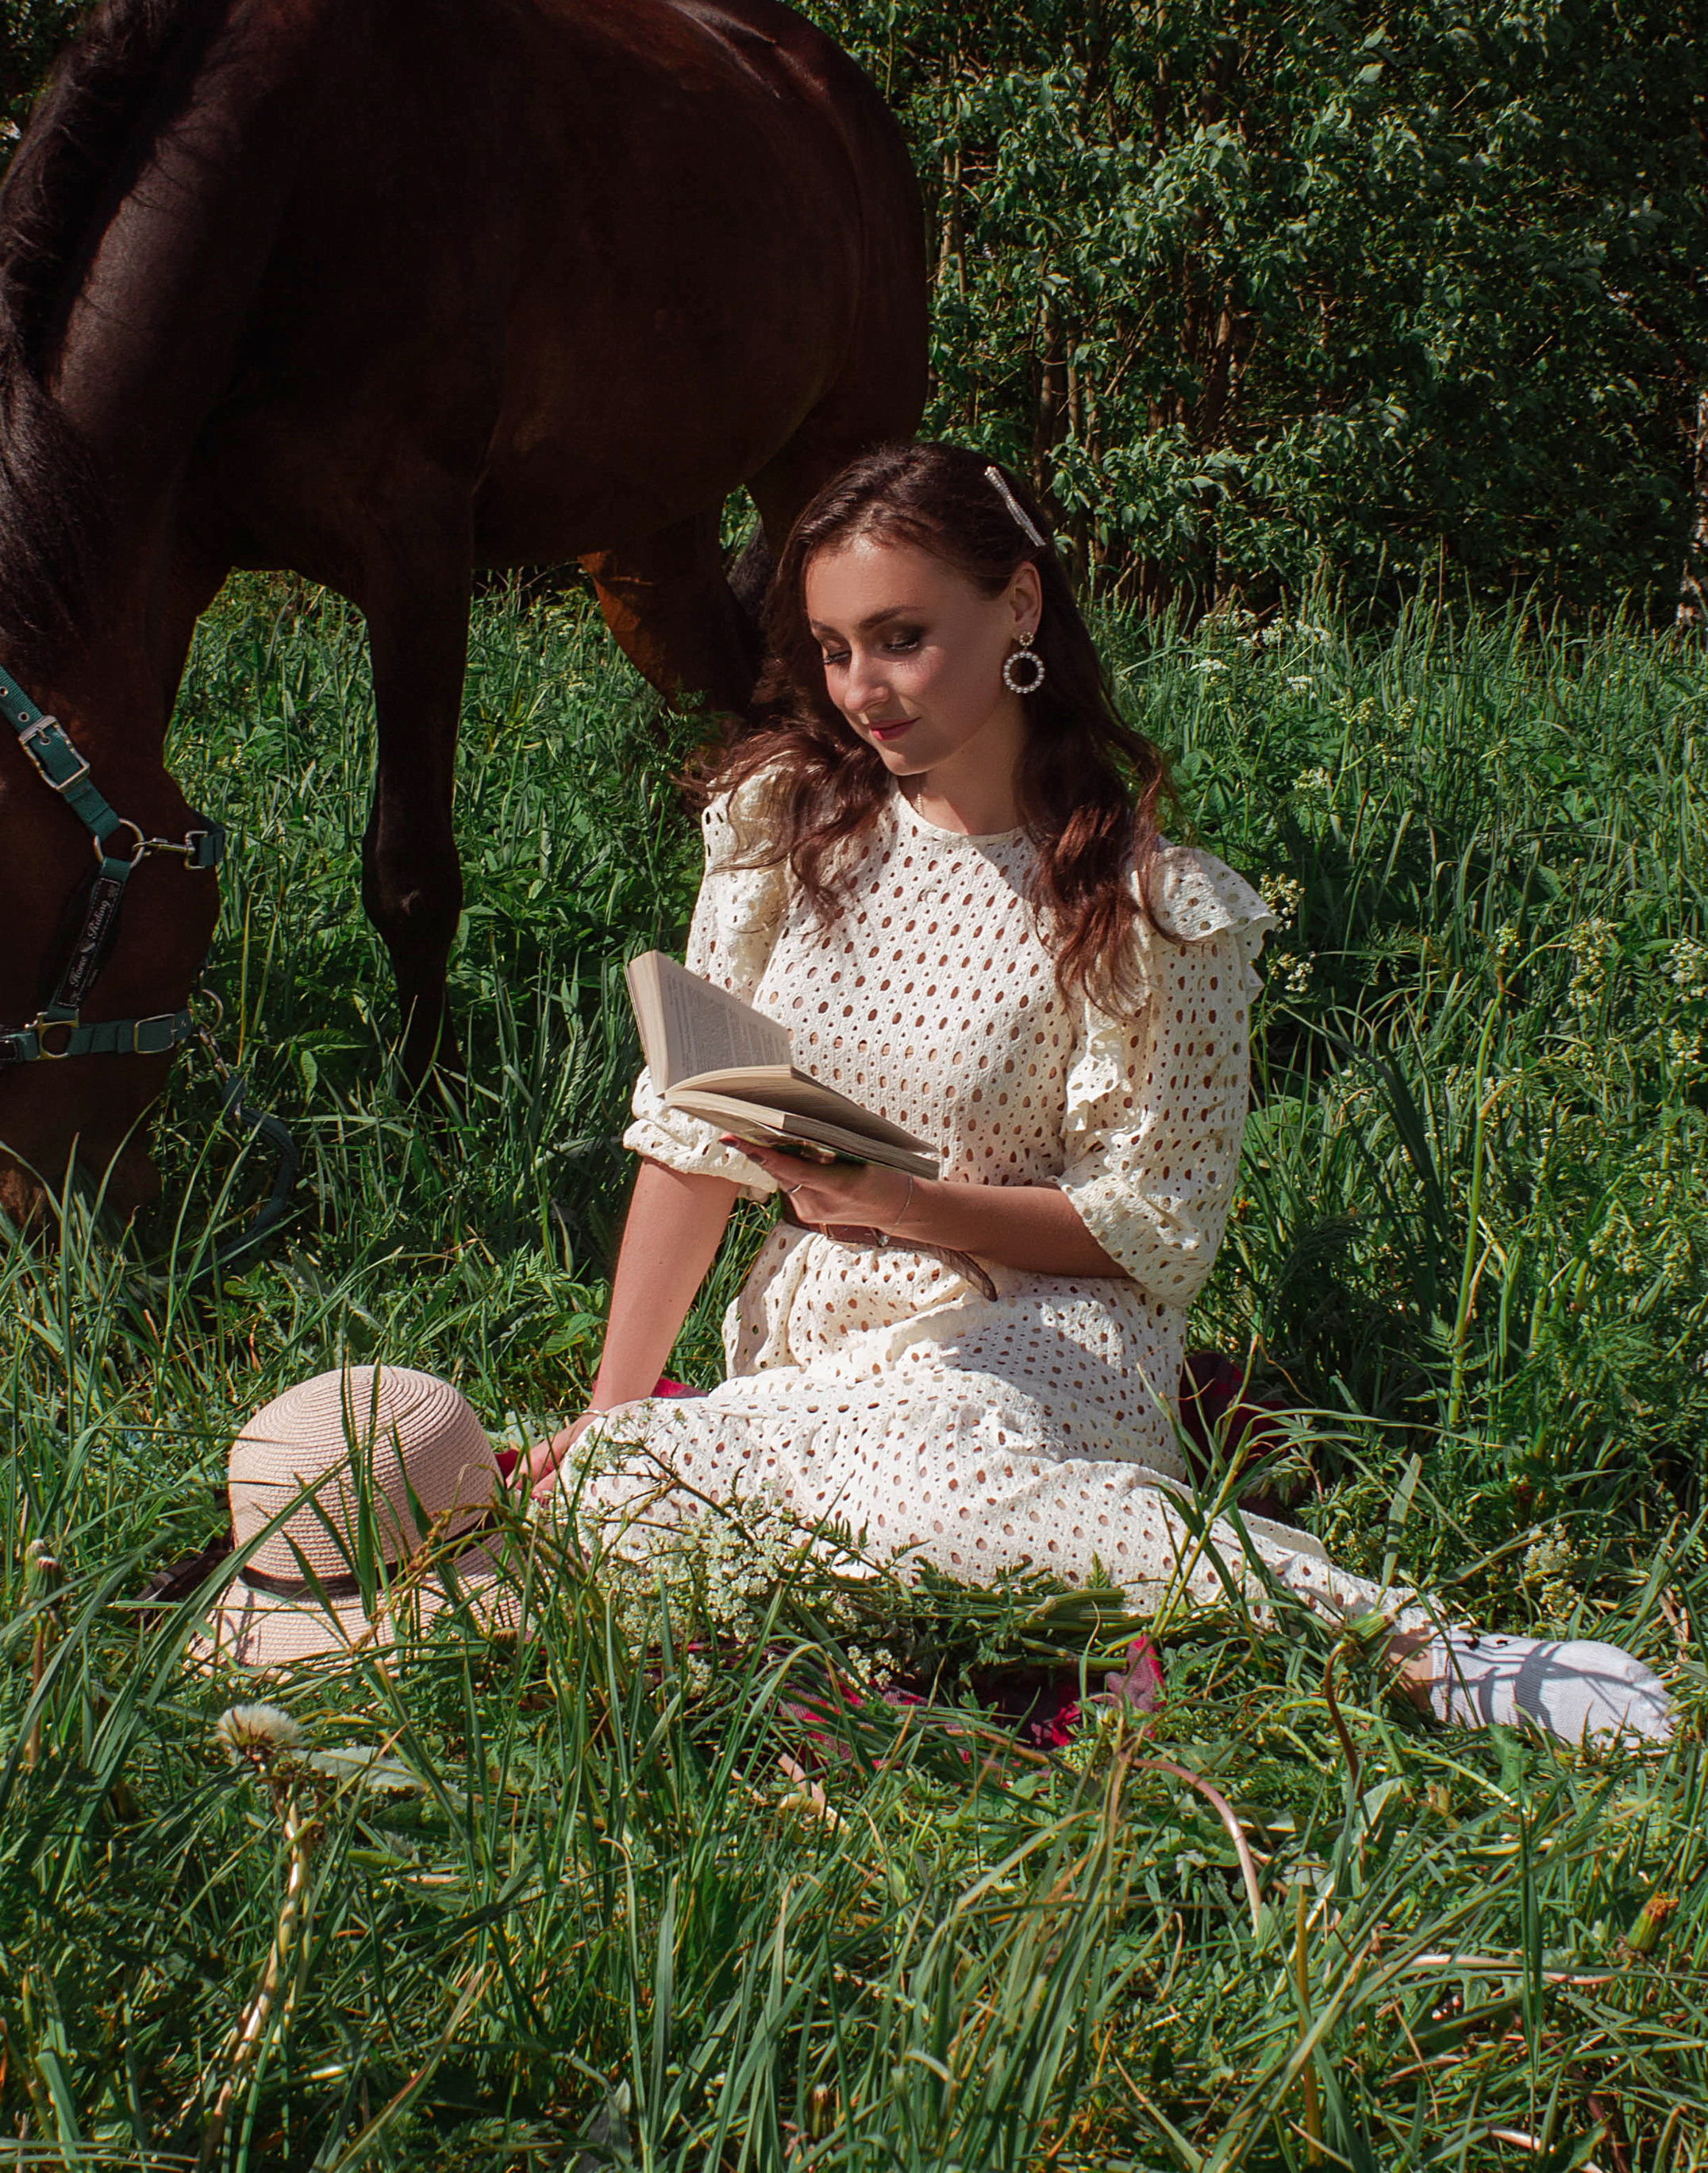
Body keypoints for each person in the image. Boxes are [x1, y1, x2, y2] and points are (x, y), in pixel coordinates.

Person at [530, 444, 1672, 1752]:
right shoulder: (783, 828)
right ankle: (933, 1619)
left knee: (935, 1497)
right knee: (610, 1503)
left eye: (902, 638)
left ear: (1018, 607)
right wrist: (616, 1409)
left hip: (1043, 1334)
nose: (863, 691)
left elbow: (1154, 1231)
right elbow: (691, 1140)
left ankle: (1416, 1642)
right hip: (818, 1332)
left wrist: (902, 1203)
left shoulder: (1148, 905)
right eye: (836, 649)